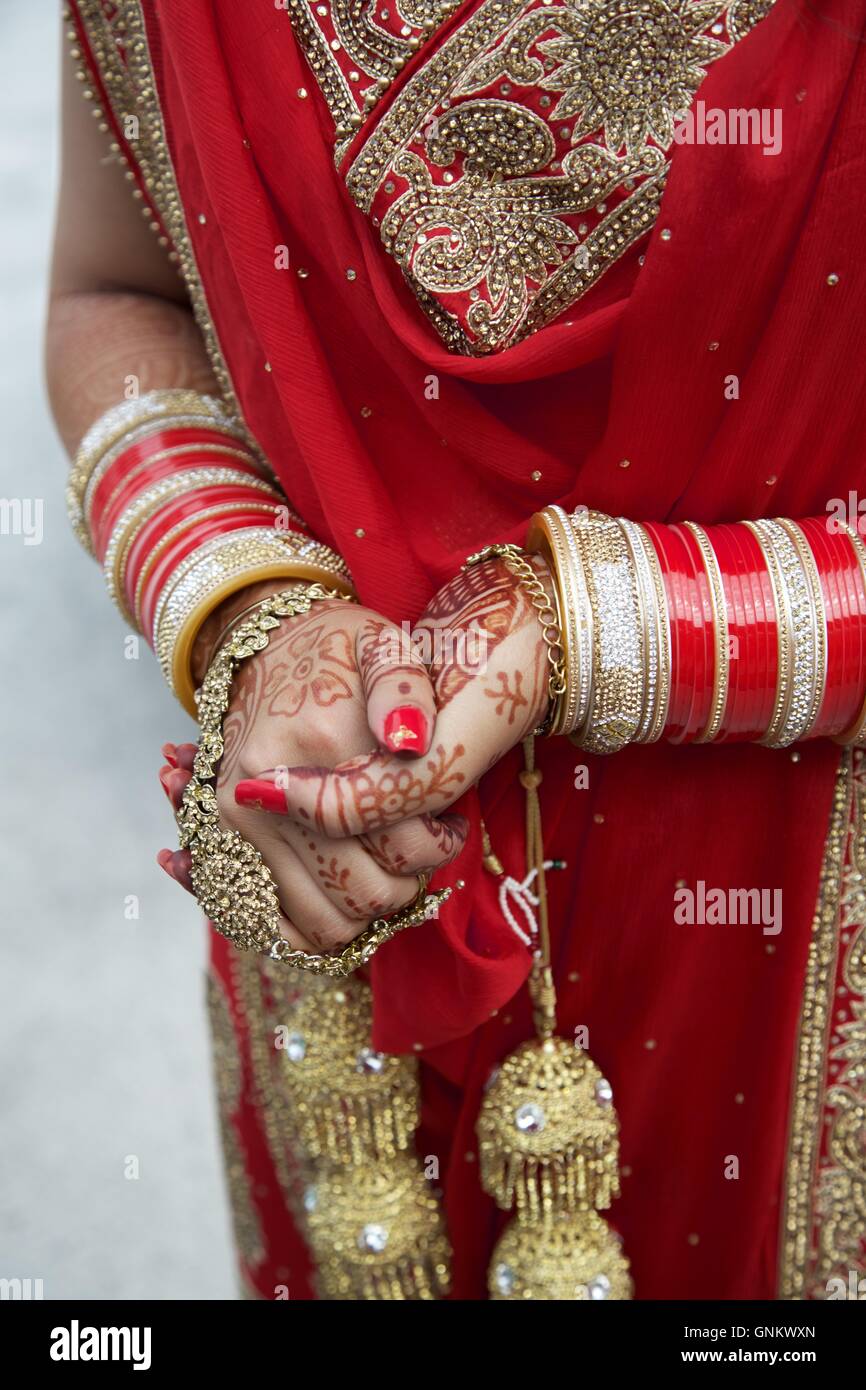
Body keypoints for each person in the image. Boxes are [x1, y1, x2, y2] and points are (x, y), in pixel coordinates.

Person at [47, 0, 866, 1300]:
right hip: (336, 893)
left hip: (800, 940)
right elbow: (115, 294)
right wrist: (258, 615)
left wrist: (583, 625)